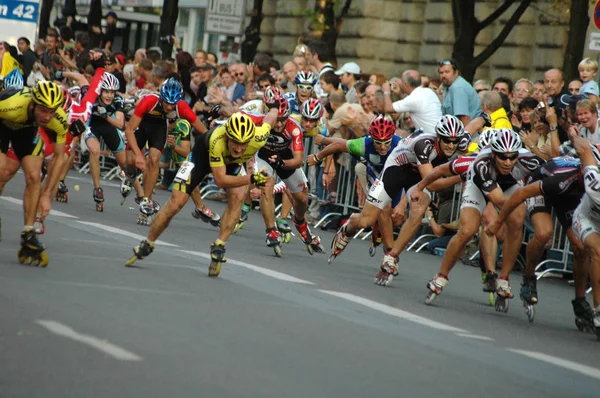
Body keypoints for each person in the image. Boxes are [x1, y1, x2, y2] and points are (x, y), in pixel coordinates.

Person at [124, 105, 279, 277]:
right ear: (228, 136)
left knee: (237, 197)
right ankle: (148, 242)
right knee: (176, 204)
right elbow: (220, 180)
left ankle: (219, 244)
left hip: (233, 164)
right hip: (200, 158)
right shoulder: (217, 141)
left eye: (244, 144)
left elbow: (270, 119)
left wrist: (274, 108)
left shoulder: (259, 136)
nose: (239, 148)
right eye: (235, 142)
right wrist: (251, 179)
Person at [329, 115, 467, 287]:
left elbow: (474, 125)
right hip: (397, 168)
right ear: (438, 137)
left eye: (455, 141)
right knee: (367, 220)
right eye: (447, 140)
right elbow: (433, 184)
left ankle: (391, 257)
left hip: (417, 177)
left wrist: (484, 119)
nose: (451, 145)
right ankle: (349, 226)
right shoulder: (424, 145)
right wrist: (461, 177)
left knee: (418, 207)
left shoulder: (461, 143)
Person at [420, 129, 543, 309]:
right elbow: (440, 170)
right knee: (467, 231)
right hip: (478, 186)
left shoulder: (529, 160)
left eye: (512, 157)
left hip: (510, 186)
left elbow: (550, 175)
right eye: (502, 157)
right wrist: (419, 187)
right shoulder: (479, 163)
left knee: (517, 221)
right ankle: (441, 276)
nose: (508, 162)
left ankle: (503, 279)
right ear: (493, 154)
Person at [486, 153, 592, 324]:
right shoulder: (560, 180)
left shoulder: (589, 183)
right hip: (542, 183)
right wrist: (498, 222)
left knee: (580, 246)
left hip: (571, 195)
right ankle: (529, 278)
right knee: (543, 233)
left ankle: (580, 300)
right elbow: (520, 195)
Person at [308, 115, 402, 256]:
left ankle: (378, 226)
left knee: (396, 219)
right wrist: (318, 156)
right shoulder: (365, 144)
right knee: (383, 208)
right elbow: (341, 144)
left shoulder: (402, 145)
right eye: (378, 143)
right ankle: (390, 255)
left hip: (395, 181)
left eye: (387, 143)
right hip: (376, 179)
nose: (382, 147)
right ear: (372, 139)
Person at [122, 77, 208, 225]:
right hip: (142, 126)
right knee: (130, 162)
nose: (169, 107)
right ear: (161, 97)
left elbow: (205, 132)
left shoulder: (181, 107)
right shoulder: (149, 101)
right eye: (167, 102)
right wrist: (138, 156)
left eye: (173, 104)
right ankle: (130, 174)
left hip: (159, 128)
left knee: (154, 159)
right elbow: (130, 129)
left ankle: (146, 202)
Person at [0, 81, 68, 266]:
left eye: (51, 111)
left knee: (34, 176)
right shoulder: (10, 104)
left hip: (27, 130)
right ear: (33, 104)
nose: (47, 117)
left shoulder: (59, 119)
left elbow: (60, 158)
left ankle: (28, 232)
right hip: (3, 123)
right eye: (43, 110)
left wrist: (47, 195)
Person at [246, 96, 324, 255]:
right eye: (277, 119)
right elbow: (237, 115)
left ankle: (300, 223)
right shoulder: (259, 120)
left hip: (285, 158)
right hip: (264, 157)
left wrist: (282, 163)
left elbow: (298, 160)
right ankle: (271, 231)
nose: (279, 123)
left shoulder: (294, 128)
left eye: (283, 119)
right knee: (266, 187)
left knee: (302, 198)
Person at [568, 133, 600, 337]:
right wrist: (573, 134)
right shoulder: (595, 184)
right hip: (587, 218)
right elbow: (584, 150)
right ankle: (598, 309)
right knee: (597, 251)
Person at [85, 72, 127, 211]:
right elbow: (79, 78)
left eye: (112, 92)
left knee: (125, 165)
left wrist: (105, 115)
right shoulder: (91, 96)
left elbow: (120, 124)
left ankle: (141, 196)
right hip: (92, 126)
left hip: (109, 125)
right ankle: (97, 188)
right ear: (100, 91)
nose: (109, 95)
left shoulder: (117, 100)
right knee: (95, 151)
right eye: (106, 92)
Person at [382, 70, 442, 134]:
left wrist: (386, 91)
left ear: (406, 84)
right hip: (439, 136)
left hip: (430, 139)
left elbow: (388, 108)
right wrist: (400, 94)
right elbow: (414, 104)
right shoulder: (429, 91)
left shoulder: (413, 99)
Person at [438, 59, 481, 125]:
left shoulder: (458, 88)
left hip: (469, 133)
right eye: (441, 73)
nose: (443, 75)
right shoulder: (448, 86)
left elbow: (464, 118)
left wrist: (464, 135)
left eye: (447, 72)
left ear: (456, 72)